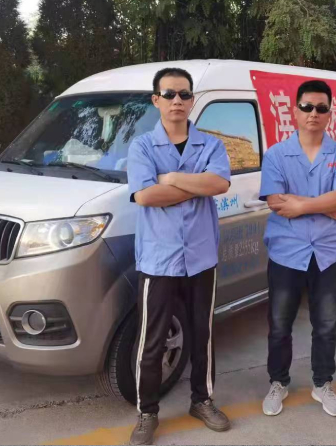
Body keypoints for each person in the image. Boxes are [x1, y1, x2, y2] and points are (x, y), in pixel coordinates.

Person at [127, 67, 232, 445]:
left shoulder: (211, 145)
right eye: (169, 94)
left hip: (201, 256)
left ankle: (202, 401)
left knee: (203, 334)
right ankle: (147, 412)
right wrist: (196, 185)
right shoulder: (142, 146)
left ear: (192, 100)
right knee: (152, 339)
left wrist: (170, 179)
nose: (177, 101)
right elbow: (144, 195)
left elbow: (219, 183)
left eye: (184, 94)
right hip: (160, 258)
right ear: (156, 100)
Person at [259, 80, 336, 418]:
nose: (314, 113)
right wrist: (322, 205)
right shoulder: (276, 154)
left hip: (326, 253)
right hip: (286, 252)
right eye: (307, 107)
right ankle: (278, 382)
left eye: (321, 108)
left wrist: (300, 204)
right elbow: (275, 201)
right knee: (279, 324)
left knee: (326, 324)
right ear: (295, 110)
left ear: (330, 113)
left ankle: (322, 383)